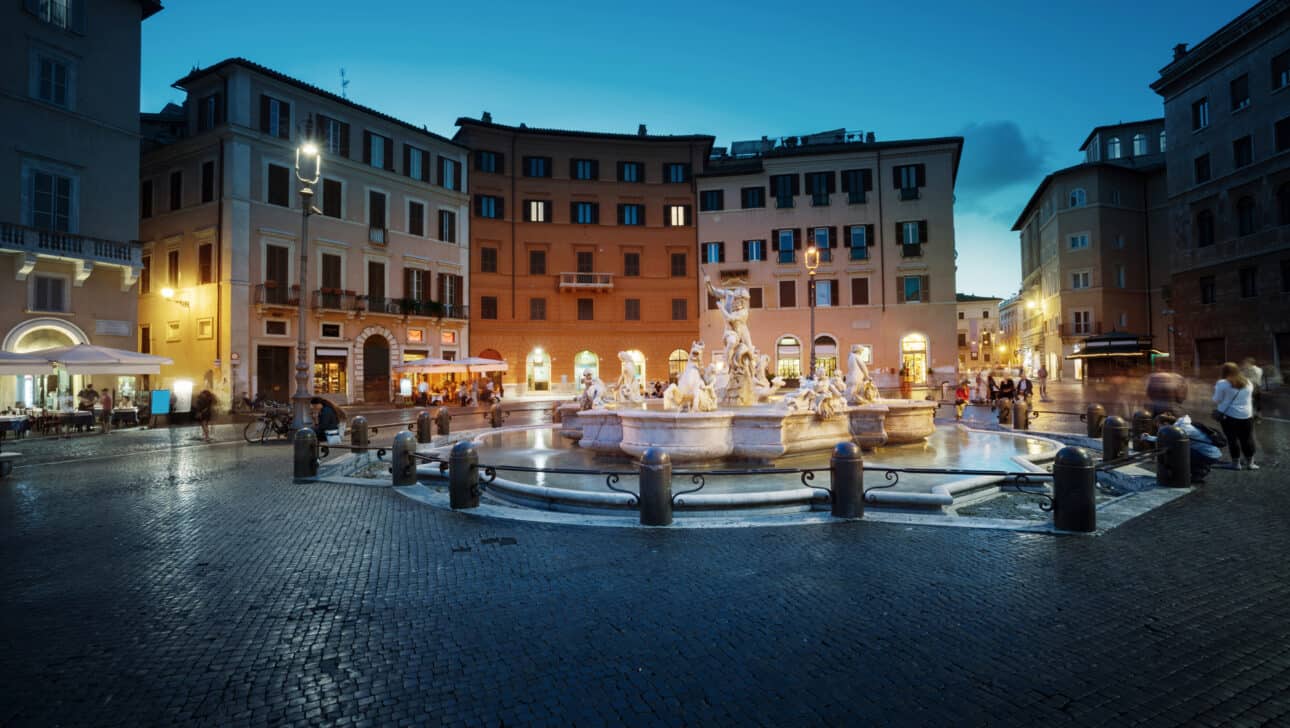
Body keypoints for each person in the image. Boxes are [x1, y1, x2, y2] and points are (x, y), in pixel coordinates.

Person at [1153, 411, 1223, 483]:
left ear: (1165, 423)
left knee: (1175, 452)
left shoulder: (1182, 429)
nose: (1159, 429)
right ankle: (1199, 470)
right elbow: (1166, 439)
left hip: (1208, 455)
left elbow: (1168, 440)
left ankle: (1201, 470)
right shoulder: (1181, 426)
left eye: (1159, 426)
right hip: (1209, 453)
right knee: (1179, 450)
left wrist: (1149, 438)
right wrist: (1148, 437)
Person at [1213, 362, 1258, 470]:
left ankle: (1236, 464)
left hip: (1229, 416)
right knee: (1247, 439)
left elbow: (1216, 399)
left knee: (1232, 439)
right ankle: (1250, 463)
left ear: (1224, 371)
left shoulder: (1222, 383)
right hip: (1247, 415)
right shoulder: (1248, 382)